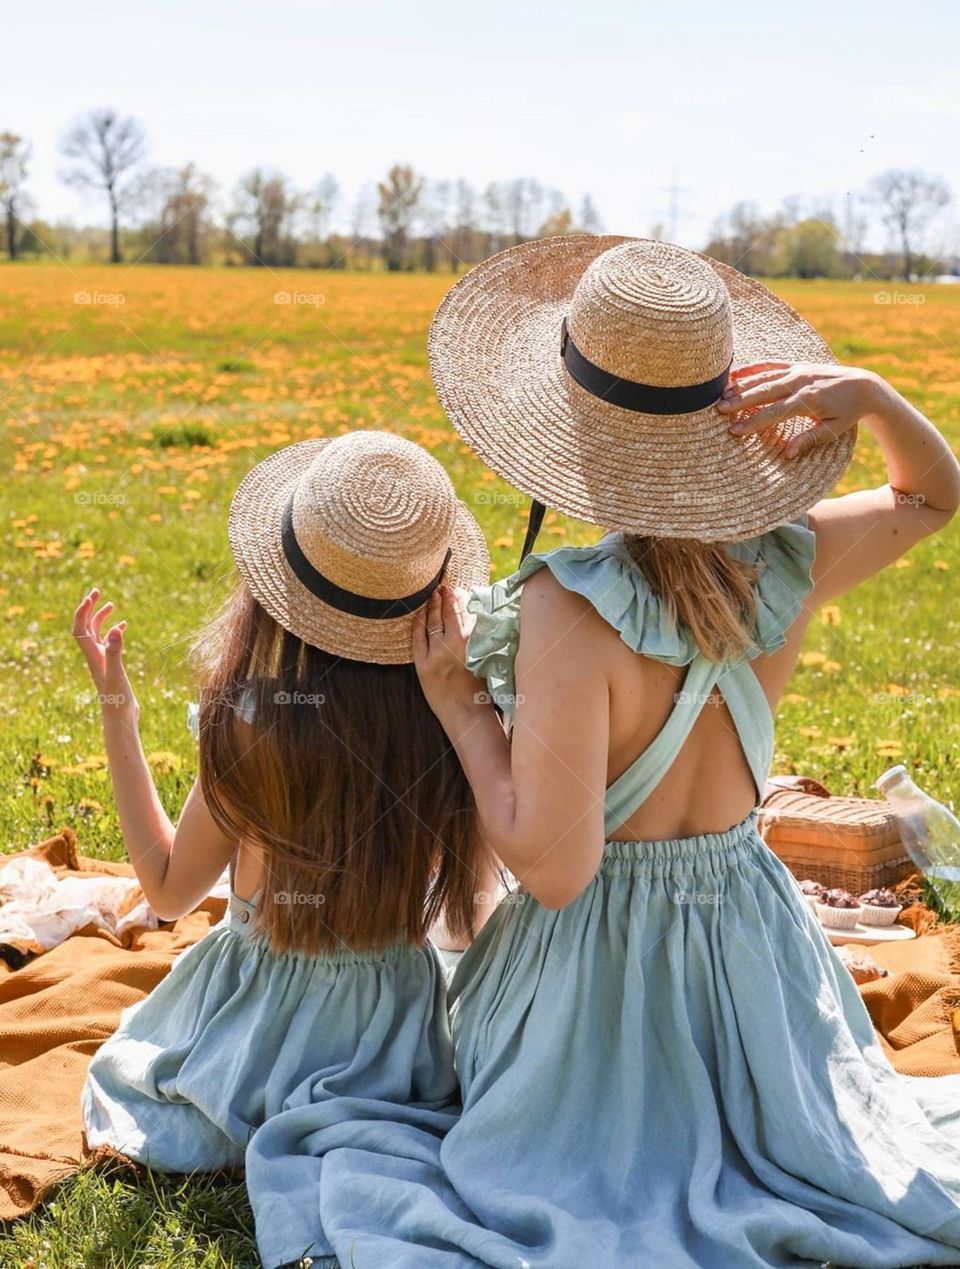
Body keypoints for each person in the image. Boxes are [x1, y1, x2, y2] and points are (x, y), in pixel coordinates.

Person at [411, 237, 960, 1267]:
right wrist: (876, 398)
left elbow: (560, 873)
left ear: (573, 434)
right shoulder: (791, 558)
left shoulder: (564, 613)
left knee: (565, 1146)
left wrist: (459, 705)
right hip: (755, 962)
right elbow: (936, 495)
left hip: (598, 989)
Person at [75, 430, 494, 1269]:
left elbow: (163, 891)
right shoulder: (453, 724)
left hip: (251, 1047)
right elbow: (475, 916)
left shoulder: (255, 724)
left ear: (277, 592)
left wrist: (118, 715)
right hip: (394, 1051)